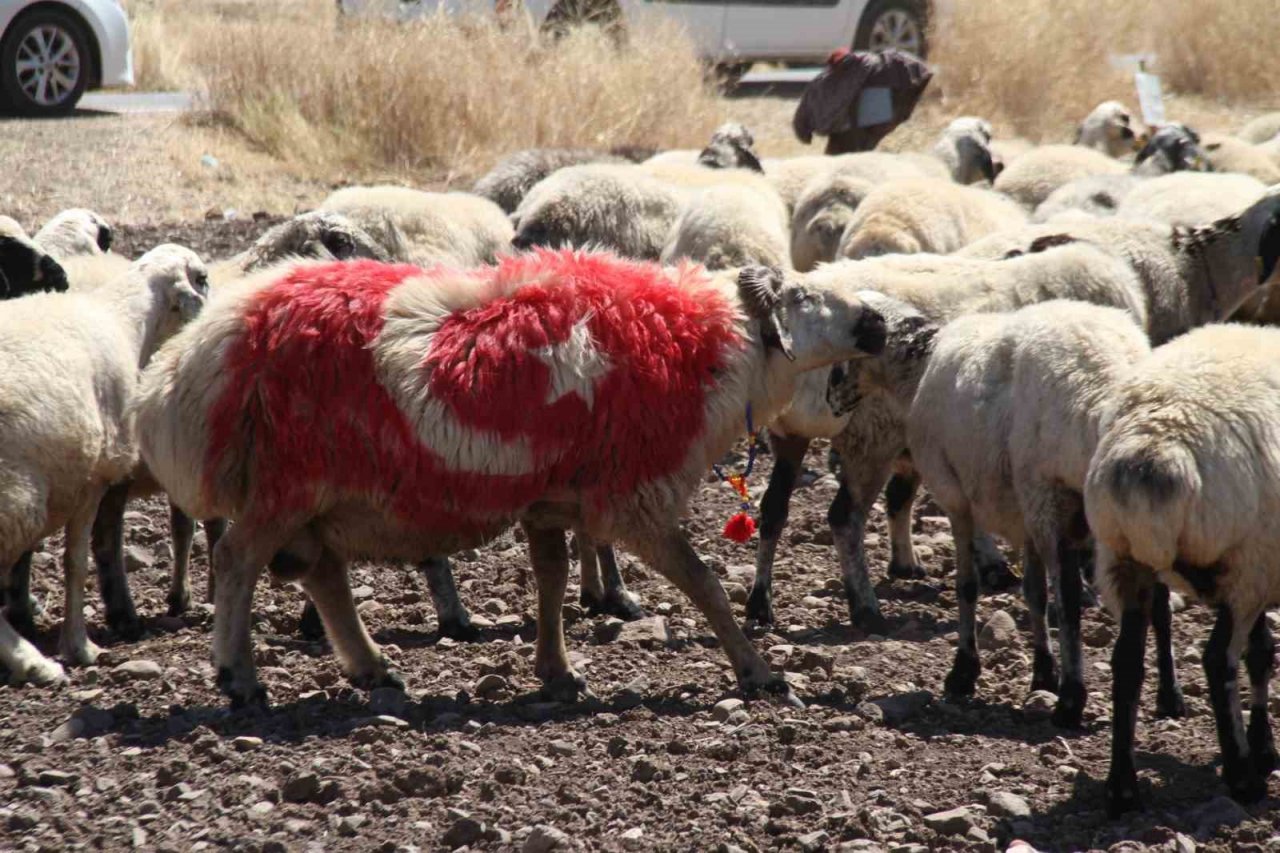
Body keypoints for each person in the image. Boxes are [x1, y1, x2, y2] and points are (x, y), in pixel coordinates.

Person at [793, 47, 933, 155]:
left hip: (872, 112)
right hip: (856, 124)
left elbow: (802, 128)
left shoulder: (823, 84)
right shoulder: (824, 84)